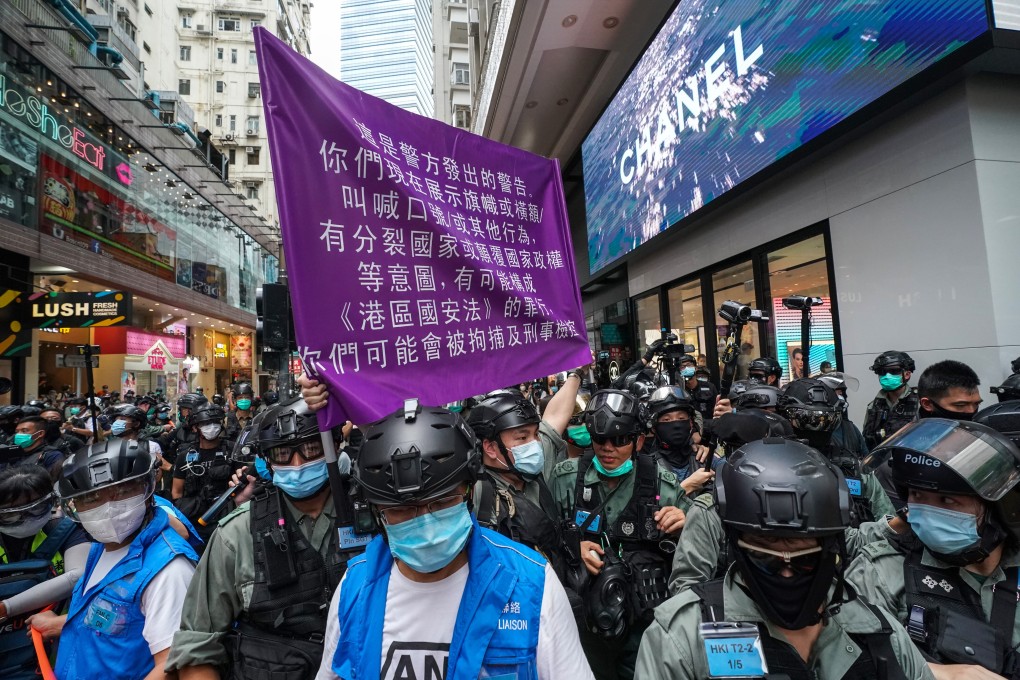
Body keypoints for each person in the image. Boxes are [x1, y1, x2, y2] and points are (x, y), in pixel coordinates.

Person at [315, 400, 593, 680]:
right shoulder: (354, 589)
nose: (424, 523)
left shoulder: (532, 586)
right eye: (401, 510)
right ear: (378, 514)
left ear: (470, 493)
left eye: (441, 503)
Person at [636, 437, 934, 680]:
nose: (787, 569)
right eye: (765, 552)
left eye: (803, 553)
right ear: (736, 545)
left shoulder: (880, 632)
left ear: (831, 545)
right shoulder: (681, 637)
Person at [168, 397, 354, 680]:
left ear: (335, 445)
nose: (298, 463)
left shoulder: (375, 517)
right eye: (282, 453)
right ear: (266, 460)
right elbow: (197, 645)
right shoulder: (237, 533)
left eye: (312, 448)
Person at [847, 418, 1020, 680]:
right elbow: (850, 659)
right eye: (917, 496)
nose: (929, 511)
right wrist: (934, 673)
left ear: (999, 507)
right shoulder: (880, 571)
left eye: (947, 500)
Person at [550, 388, 686, 680]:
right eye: (600, 439)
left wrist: (685, 523)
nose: (608, 448)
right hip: (583, 622)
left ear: (638, 440)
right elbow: (541, 542)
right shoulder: (566, 479)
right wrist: (572, 548)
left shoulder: (664, 484)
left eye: (620, 440)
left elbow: (697, 554)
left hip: (644, 622)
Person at [51, 437, 198, 680]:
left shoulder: (169, 570)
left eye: (122, 490)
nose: (108, 506)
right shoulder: (101, 546)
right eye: (91, 497)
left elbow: (171, 666)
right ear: (74, 505)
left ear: (148, 489)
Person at [465, 391, 577, 591]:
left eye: (535, 435)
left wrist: (577, 373)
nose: (535, 444)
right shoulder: (475, 494)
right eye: (523, 437)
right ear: (490, 448)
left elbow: (556, 418)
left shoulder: (535, 472)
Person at [0, 464, 90, 680]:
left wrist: (6, 607)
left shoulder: (67, 530)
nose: (26, 518)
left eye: (35, 509)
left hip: (51, 649)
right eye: (14, 514)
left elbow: (78, 576)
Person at [779, 378, 894, 523]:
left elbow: (890, 524)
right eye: (806, 419)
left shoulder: (853, 469)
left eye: (826, 419)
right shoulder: (773, 467)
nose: (817, 428)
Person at [172, 402, 242, 543]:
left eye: (215, 422)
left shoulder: (233, 450)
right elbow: (176, 492)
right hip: (195, 523)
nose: (212, 427)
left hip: (227, 519)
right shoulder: (185, 456)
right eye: (206, 423)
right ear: (195, 427)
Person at [644, 385, 721, 490]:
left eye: (681, 418)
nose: (676, 424)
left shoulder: (705, 458)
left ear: (691, 423)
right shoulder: (646, 468)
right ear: (654, 427)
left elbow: (735, 474)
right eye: (666, 420)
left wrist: (729, 424)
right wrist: (688, 486)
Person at [863, 350, 920, 449]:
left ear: (907, 374)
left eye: (894, 371)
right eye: (882, 372)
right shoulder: (873, 406)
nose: (887, 376)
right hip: (880, 460)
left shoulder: (919, 404)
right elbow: (866, 439)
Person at [917, 359, 983, 420]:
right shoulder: (912, 432)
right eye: (961, 405)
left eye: (976, 404)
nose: (971, 411)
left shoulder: (979, 430)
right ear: (927, 404)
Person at [7, 416, 64, 482]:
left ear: (40, 434)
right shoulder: (11, 453)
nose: (18, 435)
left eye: (24, 431)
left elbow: (52, 483)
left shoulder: (52, 455)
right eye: (17, 431)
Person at [224, 382, 255, 447]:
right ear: (235, 400)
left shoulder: (257, 418)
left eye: (247, 397)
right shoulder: (227, 419)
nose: (244, 400)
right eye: (240, 397)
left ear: (251, 399)